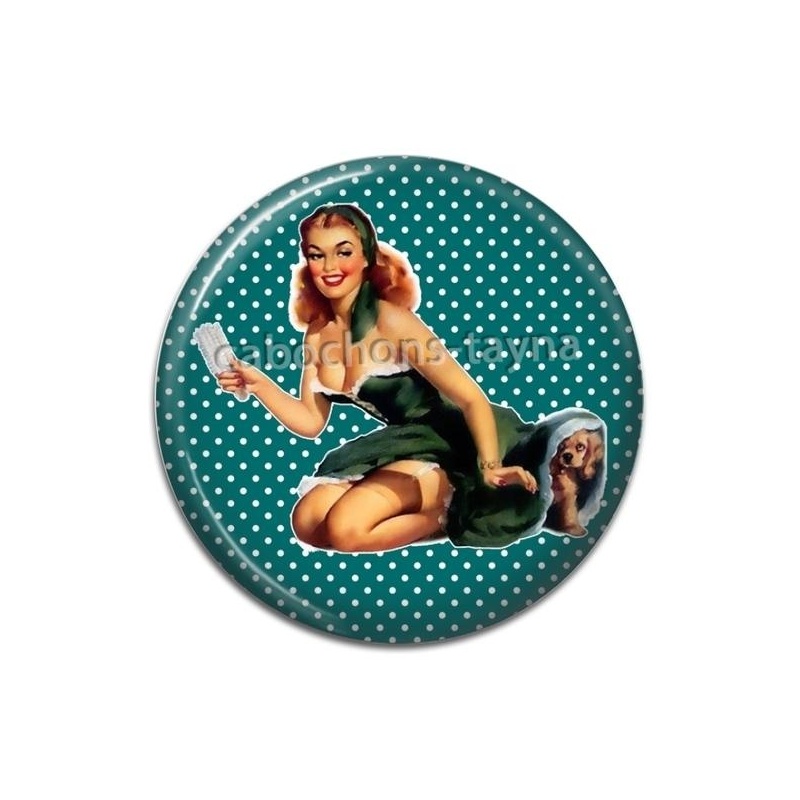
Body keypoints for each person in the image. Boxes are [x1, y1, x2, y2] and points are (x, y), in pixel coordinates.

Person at [217, 203, 605, 552]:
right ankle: (416, 504)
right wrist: (259, 384)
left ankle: (451, 512)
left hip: (456, 441)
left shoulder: (393, 321)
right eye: (317, 255)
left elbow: (471, 398)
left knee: (345, 529)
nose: (330, 267)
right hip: (405, 443)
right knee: (307, 522)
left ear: (367, 256)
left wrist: (489, 467)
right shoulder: (317, 334)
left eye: (343, 252)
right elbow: (311, 421)